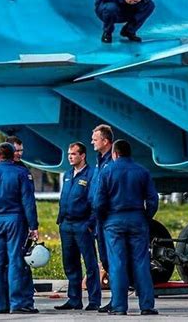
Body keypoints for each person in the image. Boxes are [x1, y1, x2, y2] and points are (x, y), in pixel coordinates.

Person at [94, 140, 159, 316]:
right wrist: (146, 217)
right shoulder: (142, 171)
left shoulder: (107, 171)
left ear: (114, 154)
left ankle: (119, 306)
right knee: (141, 263)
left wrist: (104, 219)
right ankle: (146, 306)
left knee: (117, 264)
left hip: (114, 221)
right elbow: (153, 200)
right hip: (138, 219)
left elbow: (99, 202)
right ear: (130, 153)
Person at [0, 142, 39, 314]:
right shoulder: (21, 173)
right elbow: (28, 202)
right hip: (15, 220)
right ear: (13, 156)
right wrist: (33, 226)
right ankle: (17, 303)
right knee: (15, 261)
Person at [54, 142, 101, 311]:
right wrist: (61, 220)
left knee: (90, 264)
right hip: (66, 225)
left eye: (74, 154)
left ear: (83, 156)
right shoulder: (67, 175)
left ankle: (94, 300)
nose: (70, 157)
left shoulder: (91, 174)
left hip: (83, 224)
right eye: (69, 154)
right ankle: (74, 299)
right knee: (70, 263)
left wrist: (90, 224)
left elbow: (94, 201)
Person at [90, 124, 114, 313]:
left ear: (105, 141)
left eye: (95, 139)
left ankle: (118, 299)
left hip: (109, 219)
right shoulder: (99, 162)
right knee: (106, 260)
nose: (92, 142)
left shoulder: (112, 162)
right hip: (99, 219)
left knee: (113, 261)